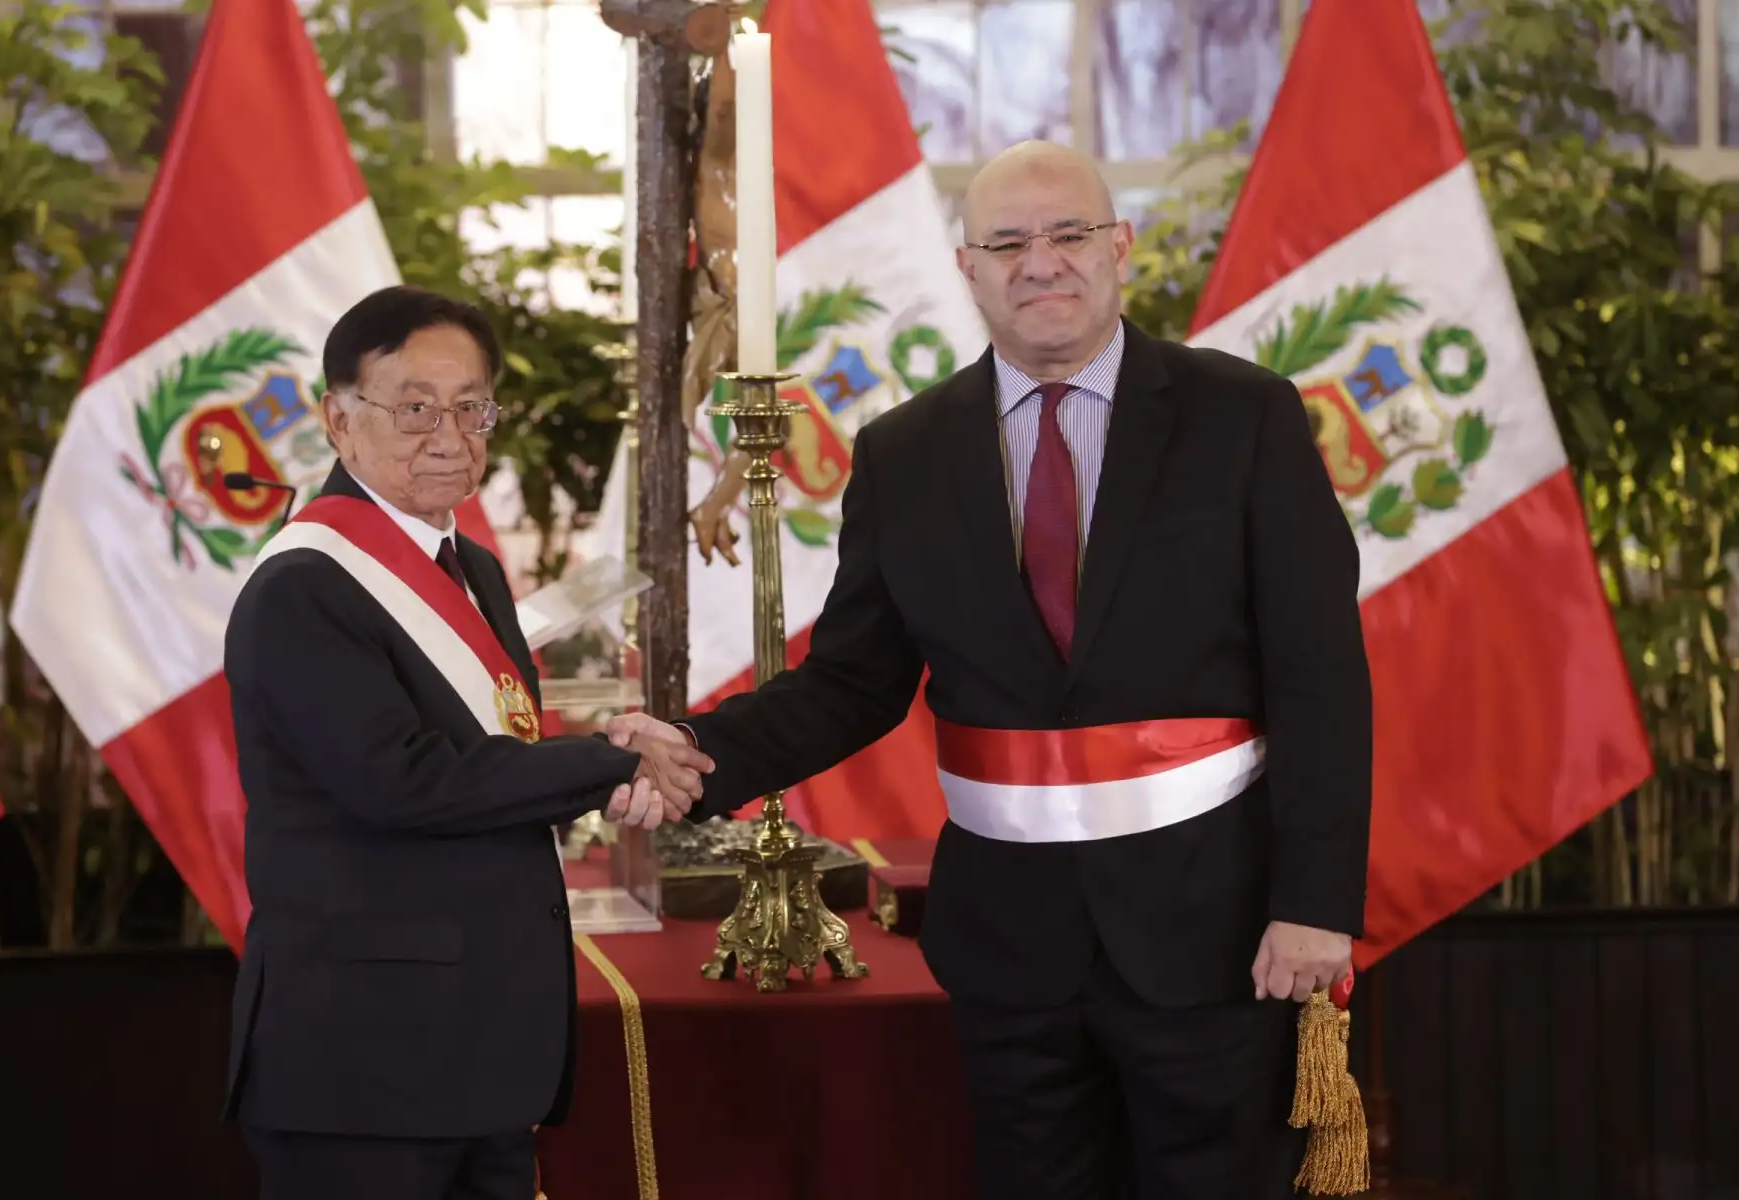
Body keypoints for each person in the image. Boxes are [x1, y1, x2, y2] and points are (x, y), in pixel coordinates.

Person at [611, 140, 1373, 1198]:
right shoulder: (904, 453)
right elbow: (854, 680)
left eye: (1067, 236)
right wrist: (701, 752)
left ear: (1120, 249)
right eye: (1007, 242)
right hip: (1010, 948)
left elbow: (1321, 680)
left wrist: (1317, 902)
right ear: (968, 267)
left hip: (1218, 930)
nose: (1040, 263)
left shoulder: (1245, 418)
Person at [222, 285, 712, 1200]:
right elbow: (401, 783)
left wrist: (604, 748)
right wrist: (604, 766)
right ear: (338, 419)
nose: (448, 435)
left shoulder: (473, 568)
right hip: (363, 1067)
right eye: (413, 408)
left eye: (470, 406)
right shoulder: (304, 587)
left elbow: (485, 748)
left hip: (475, 1050)